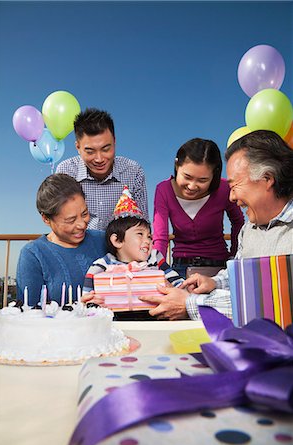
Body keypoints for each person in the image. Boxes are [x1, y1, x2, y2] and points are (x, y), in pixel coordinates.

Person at [140, 130, 293, 320]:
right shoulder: (250, 231)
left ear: (267, 179)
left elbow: (270, 303)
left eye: (235, 185)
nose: (231, 196)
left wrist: (189, 304)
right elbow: (238, 275)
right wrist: (214, 282)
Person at [82, 186, 184, 318]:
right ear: (117, 241)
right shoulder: (102, 266)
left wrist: (176, 290)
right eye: (140, 234)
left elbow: (179, 285)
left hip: (155, 317)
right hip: (116, 321)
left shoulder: (155, 258)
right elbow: (87, 297)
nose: (147, 241)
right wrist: (91, 303)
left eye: (149, 236)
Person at [153, 138, 244, 278]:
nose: (192, 186)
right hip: (180, 269)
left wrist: (234, 258)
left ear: (214, 175)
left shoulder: (224, 189)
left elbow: (238, 222)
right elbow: (160, 238)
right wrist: (157, 271)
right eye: (187, 177)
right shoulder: (163, 190)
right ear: (177, 166)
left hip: (220, 269)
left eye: (202, 180)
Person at [16, 174, 106, 306]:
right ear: (46, 219)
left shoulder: (103, 240)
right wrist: (75, 310)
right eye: (71, 220)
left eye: (85, 214)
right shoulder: (33, 255)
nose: (82, 224)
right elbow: (29, 314)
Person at [56, 107, 149, 230]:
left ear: (114, 142)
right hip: (78, 246)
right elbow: (61, 223)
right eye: (90, 151)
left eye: (106, 149)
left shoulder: (133, 172)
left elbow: (142, 225)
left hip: (121, 247)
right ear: (78, 147)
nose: (99, 159)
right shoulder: (66, 172)